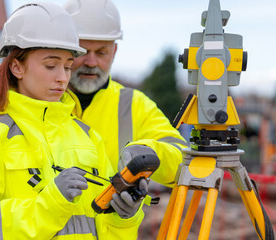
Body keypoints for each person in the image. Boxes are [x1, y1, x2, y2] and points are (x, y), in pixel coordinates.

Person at [0, 2, 147, 239]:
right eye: (51, 66)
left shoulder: (87, 137)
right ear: (17, 67)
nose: (62, 78)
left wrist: (124, 217)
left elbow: (103, 229)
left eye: (67, 67)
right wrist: (50, 205)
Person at [63, 0, 188, 187]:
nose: (91, 62)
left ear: (114, 52)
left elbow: (182, 161)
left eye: (101, 52)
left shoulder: (134, 105)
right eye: (82, 52)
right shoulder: (41, 99)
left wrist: (150, 154)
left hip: (118, 216)